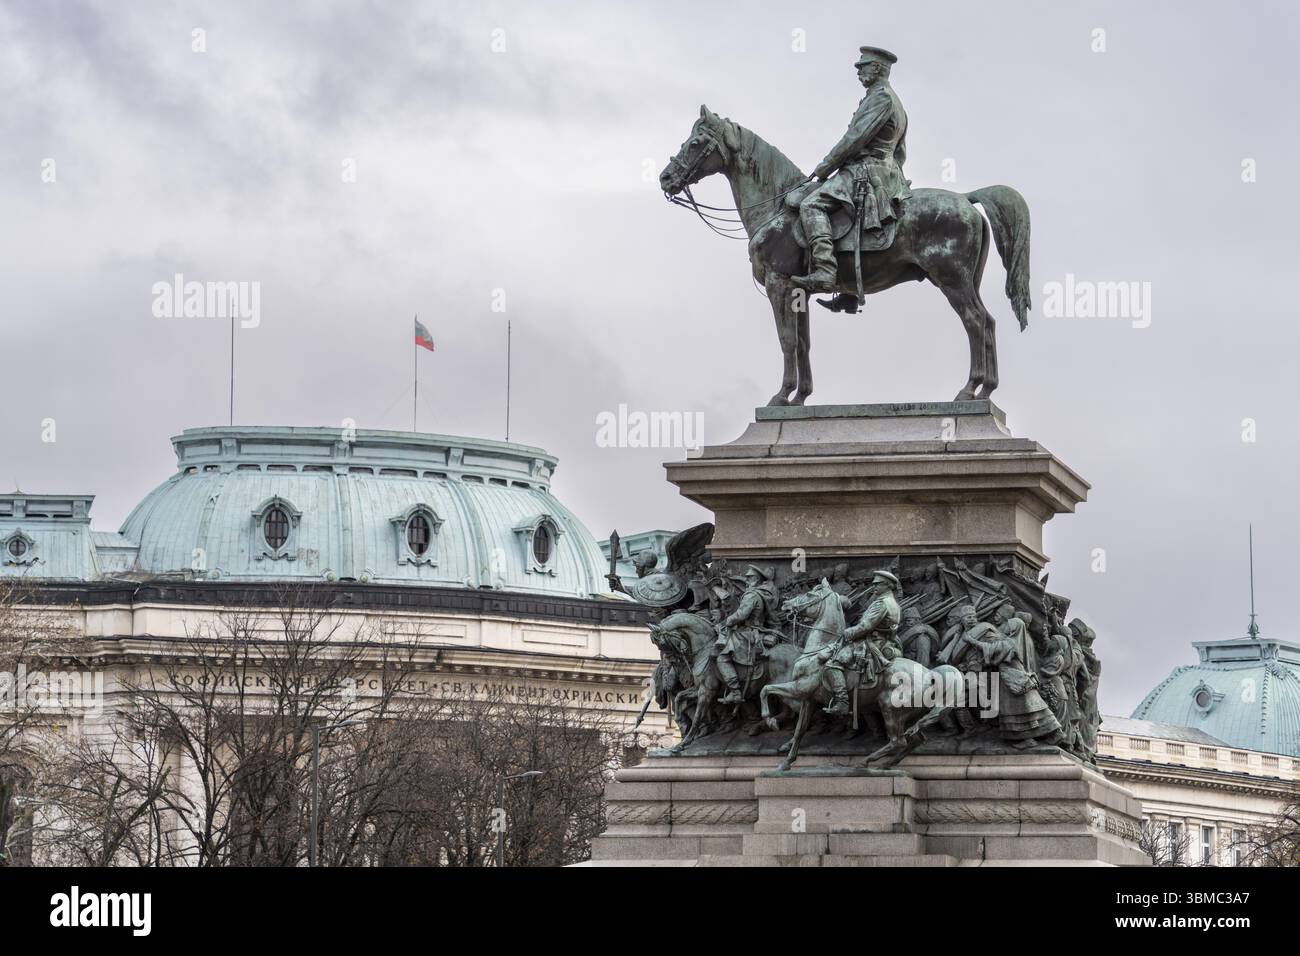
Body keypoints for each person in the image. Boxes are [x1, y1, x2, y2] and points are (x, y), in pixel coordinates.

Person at [792, 46, 911, 299]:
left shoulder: (881, 98)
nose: (858, 71)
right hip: (886, 170)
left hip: (868, 170)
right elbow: (900, 152)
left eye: (862, 66)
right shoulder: (892, 100)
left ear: (877, 68)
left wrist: (826, 166)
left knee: (811, 205)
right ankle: (848, 292)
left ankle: (825, 271)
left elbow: (854, 139)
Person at [823, 570, 902, 716]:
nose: (874, 586)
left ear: (888, 585)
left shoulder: (882, 603)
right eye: (874, 584)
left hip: (873, 642)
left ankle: (842, 702)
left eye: (878, 584)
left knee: (833, 664)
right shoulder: (893, 603)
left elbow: (866, 626)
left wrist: (847, 632)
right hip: (884, 641)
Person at [714, 564, 780, 705]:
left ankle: (735, 692)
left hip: (746, 633)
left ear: (756, 579)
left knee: (722, 658)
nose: (746, 580)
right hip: (757, 630)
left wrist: (727, 621)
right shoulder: (763, 594)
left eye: (749, 578)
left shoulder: (751, 595)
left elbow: (741, 615)